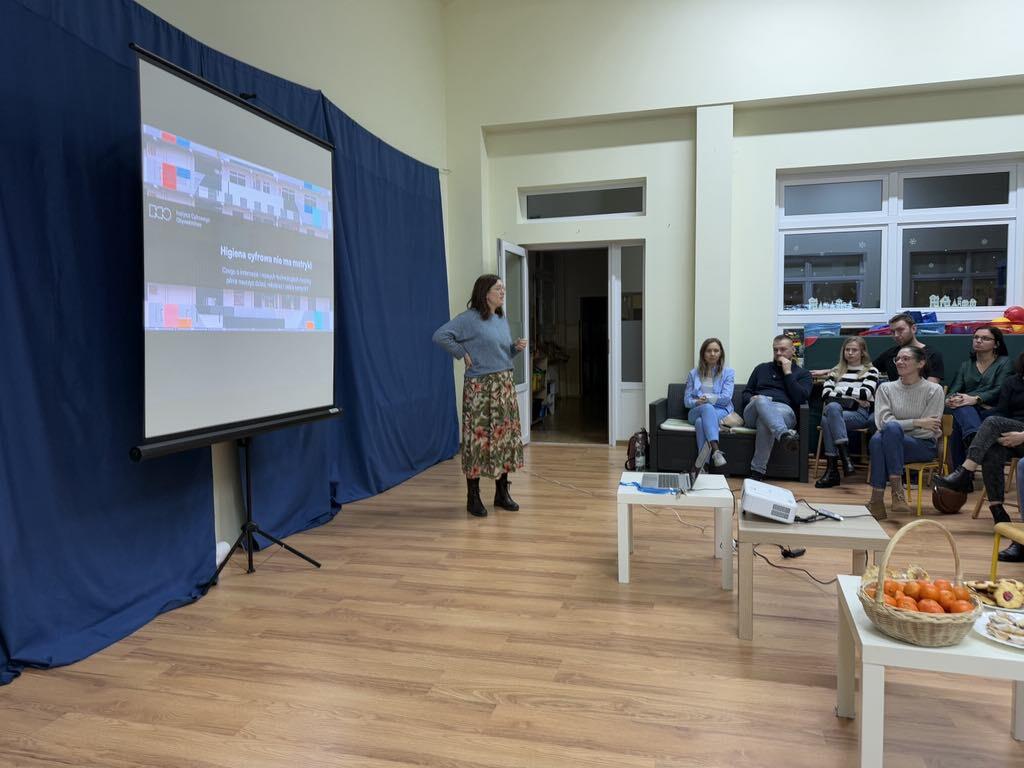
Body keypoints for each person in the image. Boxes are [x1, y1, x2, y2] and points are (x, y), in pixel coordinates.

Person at [432, 274, 527, 517]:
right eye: (498, 288)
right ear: (485, 293)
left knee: (504, 440)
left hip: (504, 385)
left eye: (503, 288)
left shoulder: (500, 318)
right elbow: (440, 335)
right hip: (480, 389)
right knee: (477, 441)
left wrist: (514, 349)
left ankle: (501, 493)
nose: (503, 292)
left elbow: (500, 354)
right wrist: (461, 353)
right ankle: (472, 497)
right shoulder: (469, 319)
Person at [935, 352, 1024, 561]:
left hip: (1021, 435)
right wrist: (999, 437)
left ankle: (965, 471)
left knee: (991, 423)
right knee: (991, 450)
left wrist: (1022, 435)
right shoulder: (1013, 382)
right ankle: (998, 511)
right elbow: (1002, 412)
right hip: (1011, 434)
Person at [867, 346, 944, 519]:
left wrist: (897, 430)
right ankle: (895, 492)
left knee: (883, 437)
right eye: (897, 359)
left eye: (906, 358)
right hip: (895, 444)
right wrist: (917, 422)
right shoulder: (885, 388)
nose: (899, 362)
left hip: (921, 446)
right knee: (882, 436)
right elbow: (882, 422)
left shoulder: (934, 390)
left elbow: (928, 431)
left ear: (920, 363)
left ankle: (877, 500)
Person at [741, 335, 812, 481]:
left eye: (783, 349)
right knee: (762, 400)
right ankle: (784, 435)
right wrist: (752, 398)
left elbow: (800, 398)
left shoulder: (803, 374)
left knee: (764, 421)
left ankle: (757, 472)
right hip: (755, 409)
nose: (778, 353)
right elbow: (746, 392)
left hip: (783, 411)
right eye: (775, 350)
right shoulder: (761, 368)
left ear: (793, 350)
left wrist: (788, 373)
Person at [814, 336, 880, 488]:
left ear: (862, 352)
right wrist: (854, 396)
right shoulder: (835, 371)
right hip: (836, 412)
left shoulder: (870, 371)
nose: (850, 353)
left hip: (858, 414)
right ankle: (845, 458)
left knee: (828, 417)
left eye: (854, 350)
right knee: (831, 410)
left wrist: (840, 390)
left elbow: (865, 394)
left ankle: (833, 470)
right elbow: (825, 395)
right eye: (847, 350)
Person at [944, 325, 1011, 471]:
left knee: (959, 423)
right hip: (969, 411)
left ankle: (961, 474)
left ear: (996, 344)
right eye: (976, 337)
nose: (978, 341)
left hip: (993, 411)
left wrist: (975, 398)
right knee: (962, 409)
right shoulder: (966, 366)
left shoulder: (1004, 362)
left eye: (985, 338)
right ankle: (974, 438)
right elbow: (953, 391)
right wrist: (950, 399)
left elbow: (999, 389)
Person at [684, 337, 736, 469]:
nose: (712, 354)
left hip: (720, 411)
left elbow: (726, 398)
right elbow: (687, 401)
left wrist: (708, 398)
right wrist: (697, 402)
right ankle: (716, 450)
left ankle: (703, 465)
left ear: (721, 353)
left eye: (716, 351)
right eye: (709, 351)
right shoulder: (693, 374)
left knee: (700, 422)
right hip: (696, 411)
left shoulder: (728, 373)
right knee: (706, 408)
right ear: (703, 353)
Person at [872, 312, 945, 385]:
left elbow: (931, 388)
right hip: (894, 392)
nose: (896, 335)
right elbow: (869, 370)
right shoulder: (890, 354)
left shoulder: (932, 354)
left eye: (900, 330)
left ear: (913, 329)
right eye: (893, 332)